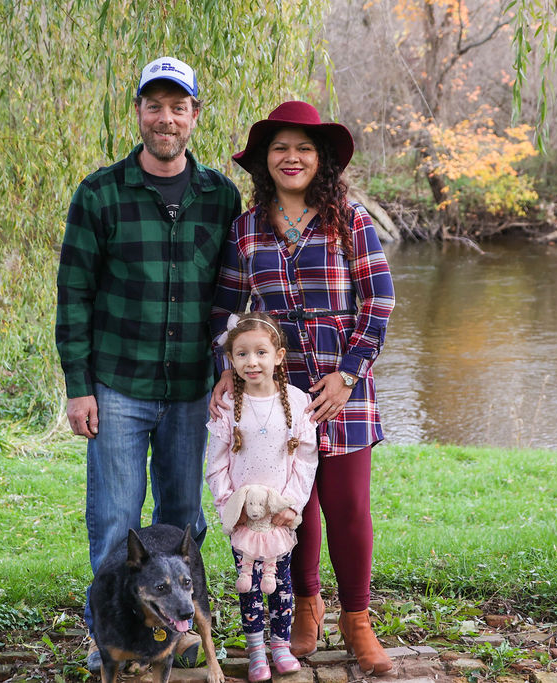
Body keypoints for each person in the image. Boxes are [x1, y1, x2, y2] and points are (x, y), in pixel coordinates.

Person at [56, 56, 241, 670]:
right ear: (138, 112)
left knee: (183, 525)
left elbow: (231, 293)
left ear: (194, 115)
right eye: (154, 105)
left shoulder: (220, 197)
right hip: (117, 385)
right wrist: (79, 388)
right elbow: (75, 296)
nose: (166, 118)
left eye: (178, 106)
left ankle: (174, 631)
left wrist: (229, 370)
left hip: (191, 389)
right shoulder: (100, 193)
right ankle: (106, 633)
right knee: (114, 524)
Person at [209, 101, 395, 675]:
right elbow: (226, 306)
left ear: (322, 160)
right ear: (266, 161)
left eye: (304, 149)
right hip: (276, 394)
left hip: (343, 387)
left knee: (347, 507)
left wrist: (348, 372)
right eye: (280, 149)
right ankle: (306, 606)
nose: (292, 158)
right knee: (296, 503)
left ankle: (358, 622)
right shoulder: (246, 228)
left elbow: (379, 299)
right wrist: (226, 364)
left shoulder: (351, 220)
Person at [205, 312, 318, 682]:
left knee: (282, 583)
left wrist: (292, 505)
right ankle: (256, 651)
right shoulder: (228, 405)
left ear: (279, 356)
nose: (251, 362)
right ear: (230, 360)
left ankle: (281, 646)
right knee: (248, 583)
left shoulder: (297, 402)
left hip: (280, 515)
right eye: (241, 354)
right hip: (244, 516)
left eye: (260, 353)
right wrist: (228, 506)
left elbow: (304, 459)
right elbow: (216, 463)